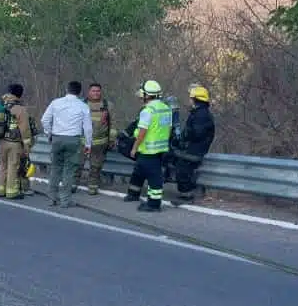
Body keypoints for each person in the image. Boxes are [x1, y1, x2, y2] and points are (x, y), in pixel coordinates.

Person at [122, 80, 173, 212]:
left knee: (154, 177)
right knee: (139, 171)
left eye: (142, 94)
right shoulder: (166, 108)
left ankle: (153, 204)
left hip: (148, 149)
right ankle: (133, 194)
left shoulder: (148, 110)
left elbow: (143, 131)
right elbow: (168, 129)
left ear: (147, 95)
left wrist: (134, 147)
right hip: (160, 148)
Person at [41, 80, 93, 208]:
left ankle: (52, 197)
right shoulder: (83, 106)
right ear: (80, 92)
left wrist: (49, 133)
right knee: (69, 171)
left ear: (67, 89)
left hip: (57, 138)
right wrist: (88, 144)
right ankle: (65, 200)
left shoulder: (56, 103)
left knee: (55, 168)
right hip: (73, 140)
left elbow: (45, 120)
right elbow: (88, 128)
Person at [169, 84, 216, 205]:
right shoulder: (199, 113)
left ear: (196, 99)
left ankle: (187, 196)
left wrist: (183, 137)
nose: (189, 100)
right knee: (170, 158)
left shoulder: (201, 115)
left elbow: (196, 133)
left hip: (195, 151)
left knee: (182, 170)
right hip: (192, 149)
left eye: (191, 98)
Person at [0, 83, 34, 200]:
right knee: (13, 166)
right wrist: (27, 145)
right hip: (14, 143)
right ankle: (11, 192)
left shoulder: (1, 104)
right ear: (20, 94)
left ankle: (0, 190)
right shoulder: (20, 109)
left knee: (3, 165)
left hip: (2, 141)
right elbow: (25, 129)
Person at [79, 82, 113, 195]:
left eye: (98, 91)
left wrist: (112, 139)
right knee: (77, 165)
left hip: (99, 144)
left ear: (101, 92)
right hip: (82, 143)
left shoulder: (107, 105)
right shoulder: (81, 104)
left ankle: (92, 187)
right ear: (89, 92)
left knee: (95, 167)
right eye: (93, 91)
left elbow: (113, 124)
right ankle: (73, 185)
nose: (96, 93)